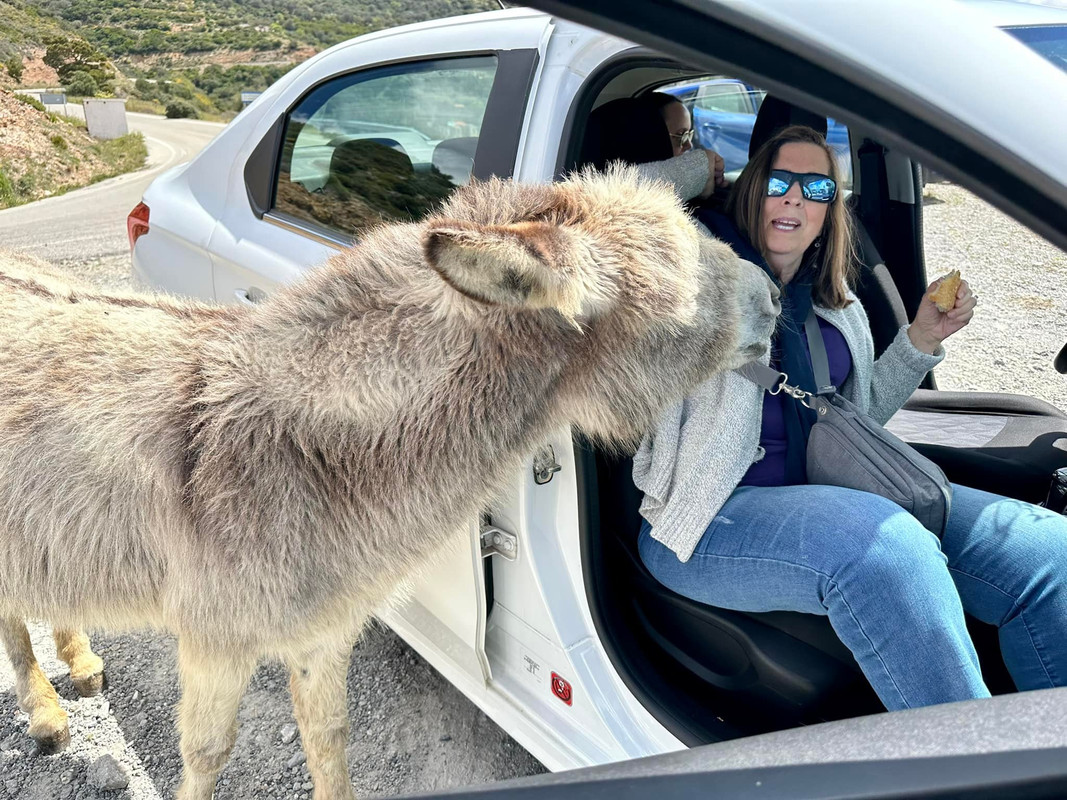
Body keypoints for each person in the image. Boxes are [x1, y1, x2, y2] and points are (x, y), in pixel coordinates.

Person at [633, 123, 1067, 711]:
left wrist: (919, 339)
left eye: (815, 188)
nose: (794, 197)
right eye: (779, 181)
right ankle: (978, 765)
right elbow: (571, 214)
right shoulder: (685, 277)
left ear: (828, 212)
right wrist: (695, 170)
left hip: (828, 492)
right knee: (886, 550)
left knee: (1051, 555)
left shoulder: (839, 304)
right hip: (705, 521)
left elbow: (856, 424)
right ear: (752, 188)